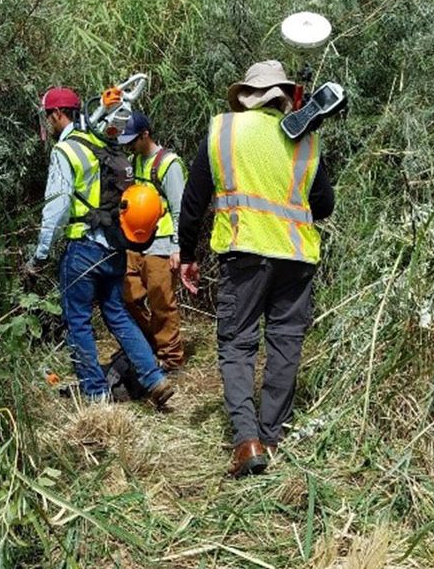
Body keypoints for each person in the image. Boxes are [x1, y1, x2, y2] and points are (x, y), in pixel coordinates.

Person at [177, 61, 335, 477]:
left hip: (244, 252)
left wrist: (187, 255)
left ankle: (246, 442)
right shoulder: (305, 139)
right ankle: (270, 437)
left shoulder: (223, 131)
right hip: (296, 258)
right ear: (283, 97)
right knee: (285, 343)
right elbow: (324, 206)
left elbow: (193, 201)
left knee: (238, 343)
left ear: (247, 96)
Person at [28, 86, 174, 406]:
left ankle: (95, 395)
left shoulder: (66, 151)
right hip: (115, 246)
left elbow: (57, 206)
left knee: (77, 319)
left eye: (49, 118)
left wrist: (39, 256)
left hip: (83, 247)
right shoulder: (101, 142)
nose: (49, 125)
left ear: (57, 114)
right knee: (117, 314)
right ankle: (153, 377)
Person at [117, 110, 187, 372]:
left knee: (161, 301)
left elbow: (180, 208)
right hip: (136, 241)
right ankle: (148, 346)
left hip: (162, 242)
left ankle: (171, 358)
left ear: (145, 134)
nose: (130, 146)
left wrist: (178, 247)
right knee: (127, 296)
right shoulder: (135, 160)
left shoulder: (170, 164)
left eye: (133, 140)